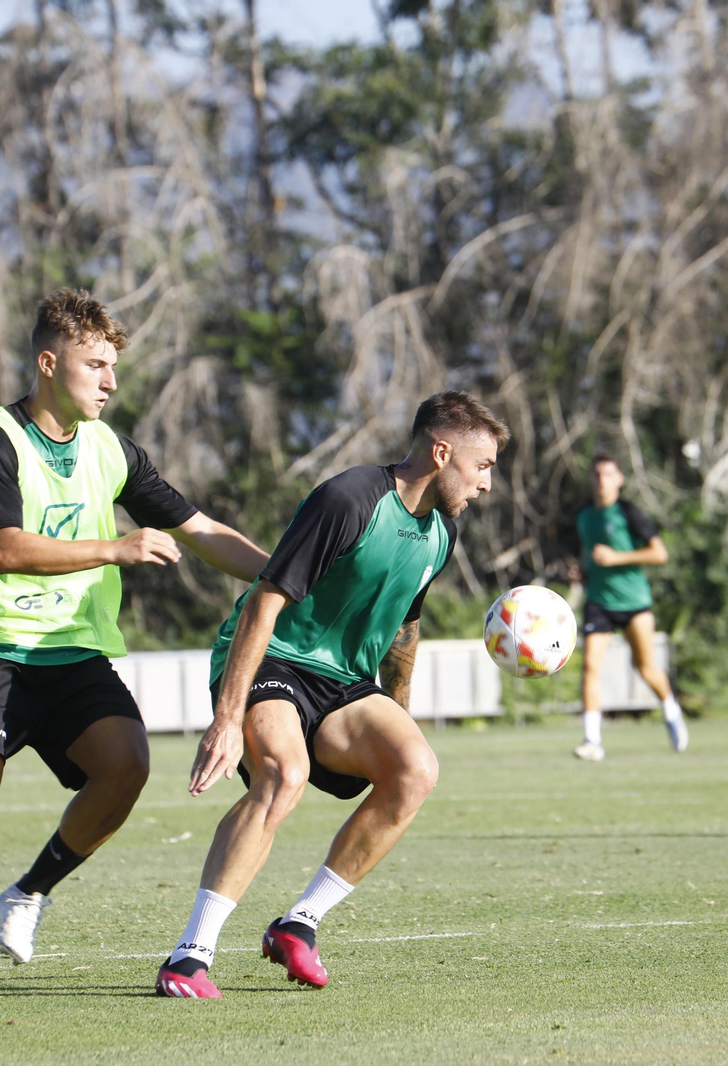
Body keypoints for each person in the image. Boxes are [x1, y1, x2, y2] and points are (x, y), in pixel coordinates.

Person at [0, 290, 268, 1001]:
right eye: (95, 364)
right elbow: (7, 549)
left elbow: (200, 530)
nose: (110, 381)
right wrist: (116, 547)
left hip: (68, 648)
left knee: (126, 766)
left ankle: (27, 893)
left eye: (114, 366)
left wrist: (287, 575)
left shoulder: (111, 450)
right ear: (49, 364)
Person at [153, 391, 508, 999]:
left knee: (416, 769)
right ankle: (189, 956)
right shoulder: (349, 498)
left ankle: (299, 924)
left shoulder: (442, 533)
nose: (487, 485)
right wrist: (227, 717)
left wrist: (395, 716)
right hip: (273, 656)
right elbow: (267, 598)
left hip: (345, 681)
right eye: (483, 467)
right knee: (283, 775)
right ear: (441, 451)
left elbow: (404, 629)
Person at [569, 453, 686, 761]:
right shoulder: (583, 516)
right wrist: (582, 571)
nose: (601, 480)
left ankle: (671, 709)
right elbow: (588, 555)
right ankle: (592, 740)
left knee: (645, 668)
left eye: (608, 474)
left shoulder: (628, 512)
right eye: (596, 474)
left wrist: (617, 558)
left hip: (634, 602)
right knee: (590, 666)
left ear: (619, 479)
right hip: (598, 602)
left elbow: (659, 554)